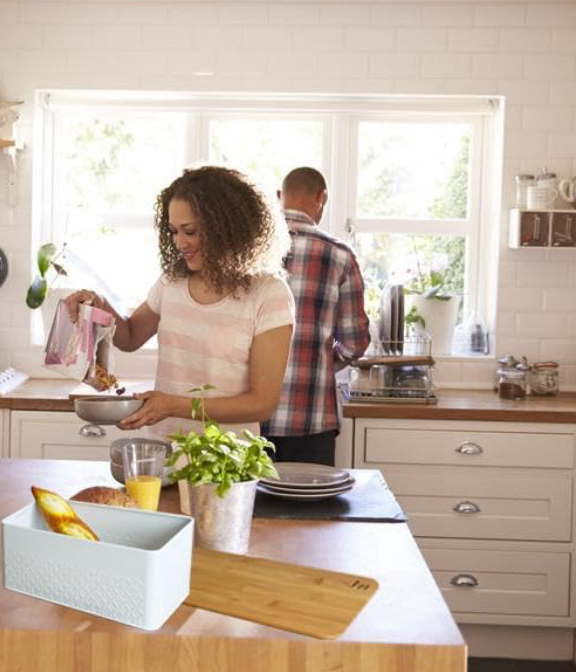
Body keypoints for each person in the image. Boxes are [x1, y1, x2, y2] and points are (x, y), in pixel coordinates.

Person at [64, 165, 295, 437]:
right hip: (166, 452)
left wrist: (173, 405)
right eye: (174, 231)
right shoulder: (172, 281)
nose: (180, 242)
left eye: (191, 231)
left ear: (228, 228)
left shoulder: (269, 294)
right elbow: (130, 336)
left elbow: (261, 404)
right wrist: (100, 304)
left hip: (227, 461)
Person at [265, 167, 371, 465]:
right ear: (321, 197)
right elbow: (354, 344)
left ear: (278, 197)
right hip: (311, 419)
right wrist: (320, 359)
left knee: (248, 510)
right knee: (310, 510)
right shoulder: (339, 255)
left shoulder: (247, 251)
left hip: (247, 419)